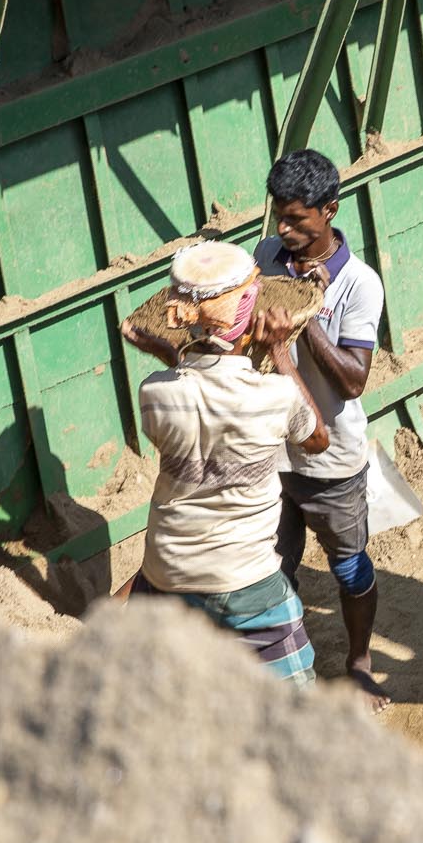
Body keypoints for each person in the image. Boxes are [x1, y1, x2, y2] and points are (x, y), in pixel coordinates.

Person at [119, 241, 329, 684]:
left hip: (167, 572)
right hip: (245, 580)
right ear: (250, 314)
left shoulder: (154, 393)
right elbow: (316, 439)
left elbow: (189, 385)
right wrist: (278, 354)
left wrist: (169, 356)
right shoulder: (274, 396)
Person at [252, 149, 390, 700]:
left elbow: (353, 381)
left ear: (328, 210)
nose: (282, 230)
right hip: (269, 453)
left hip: (330, 460)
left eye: (295, 219)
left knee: (349, 567)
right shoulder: (264, 255)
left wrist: (305, 316)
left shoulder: (359, 284)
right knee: (271, 568)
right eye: (277, 217)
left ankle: (359, 659)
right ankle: (284, 671)